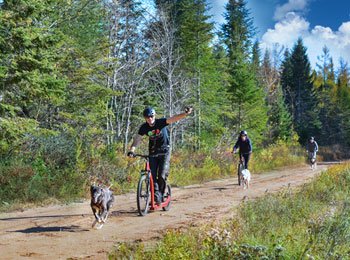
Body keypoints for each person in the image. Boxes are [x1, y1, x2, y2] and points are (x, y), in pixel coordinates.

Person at [127, 106, 193, 204]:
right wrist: (132, 150)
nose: (150, 119)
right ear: (145, 118)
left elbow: (174, 118)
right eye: (147, 117)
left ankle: (160, 195)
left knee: (162, 174)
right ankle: (155, 196)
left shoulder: (160, 122)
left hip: (164, 151)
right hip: (153, 152)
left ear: (154, 116)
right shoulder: (144, 127)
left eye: (151, 116)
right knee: (151, 176)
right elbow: (137, 139)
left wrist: (185, 113)